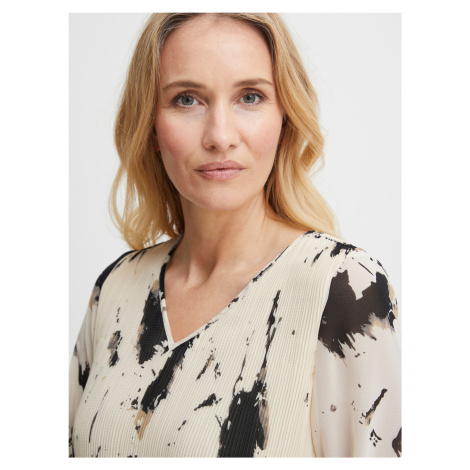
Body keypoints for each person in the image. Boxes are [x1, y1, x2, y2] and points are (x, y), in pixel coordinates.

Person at [69, 13, 401, 458]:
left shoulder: (342, 287)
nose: (220, 136)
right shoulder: (114, 290)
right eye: (187, 99)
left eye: (250, 96)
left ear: (285, 117)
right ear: (150, 125)